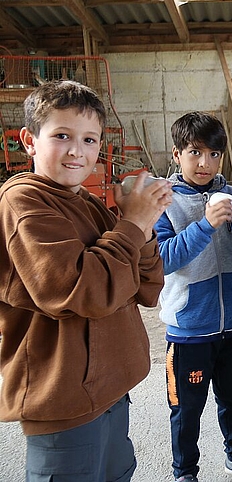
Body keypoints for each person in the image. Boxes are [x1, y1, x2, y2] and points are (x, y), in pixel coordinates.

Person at [0, 80, 172, 481]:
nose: (78, 150)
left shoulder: (89, 203)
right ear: (29, 141)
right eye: (62, 135)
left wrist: (143, 226)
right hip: (65, 403)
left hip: (111, 387)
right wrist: (133, 222)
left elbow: (147, 287)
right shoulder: (23, 202)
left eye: (90, 139)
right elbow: (81, 292)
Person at [154, 111, 232, 482]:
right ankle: (184, 472)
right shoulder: (165, 201)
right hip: (189, 328)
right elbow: (164, 260)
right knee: (186, 409)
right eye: (195, 152)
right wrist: (206, 224)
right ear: (177, 155)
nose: (205, 162)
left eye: (214, 154)